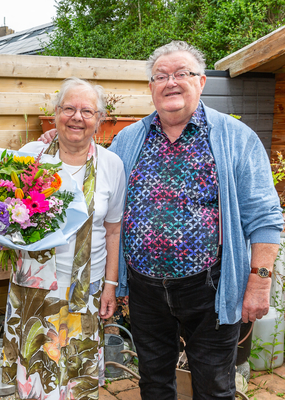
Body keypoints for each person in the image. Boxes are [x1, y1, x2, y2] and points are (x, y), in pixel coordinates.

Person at [40, 41, 283, 399]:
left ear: (201, 81)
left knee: (214, 386)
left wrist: (260, 282)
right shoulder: (128, 139)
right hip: (144, 290)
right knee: (153, 383)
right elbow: (94, 163)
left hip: (210, 288)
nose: (171, 82)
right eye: (161, 76)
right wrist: (55, 138)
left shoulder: (236, 138)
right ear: (151, 88)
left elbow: (264, 215)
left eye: (182, 73)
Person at [2, 77, 126, 400]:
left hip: (86, 291)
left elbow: (113, 230)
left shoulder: (112, 166)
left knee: (77, 376)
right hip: (35, 289)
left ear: (99, 120)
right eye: (69, 108)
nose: (77, 117)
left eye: (87, 111)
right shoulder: (31, 157)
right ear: (56, 113)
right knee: (36, 377)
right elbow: (10, 212)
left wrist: (111, 285)